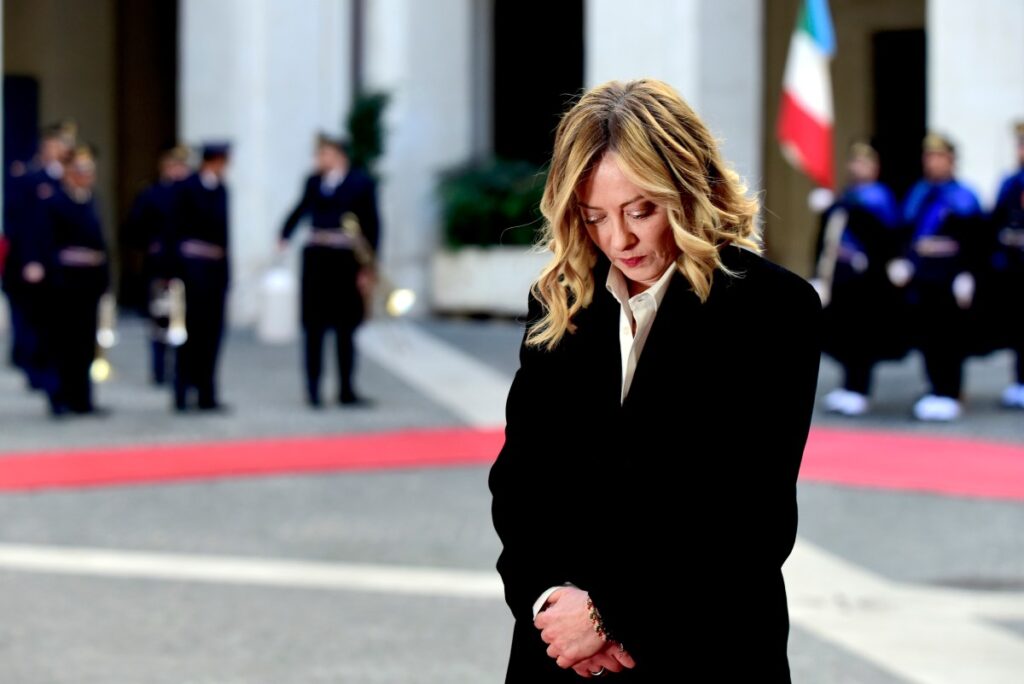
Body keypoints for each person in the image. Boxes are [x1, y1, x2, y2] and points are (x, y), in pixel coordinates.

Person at [488, 79, 822, 681]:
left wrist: (609, 615)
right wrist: (548, 605)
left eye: (641, 210)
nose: (620, 240)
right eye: (594, 218)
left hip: (705, 651)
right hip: (561, 659)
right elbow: (522, 482)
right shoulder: (560, 301)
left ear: (691, 189)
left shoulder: (774, 308)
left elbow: (750, 514)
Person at [278, 134, 380, 407]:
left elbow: (372, 224)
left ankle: (346, 388)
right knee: (314, 326)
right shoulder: (313, 182)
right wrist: (285, 233)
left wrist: (368, 267)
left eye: (324, 154)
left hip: (345, 260)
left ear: (339, 155)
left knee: (346, 326)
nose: (319, 160)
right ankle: (313, 388)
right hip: (317, 259)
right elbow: (301, 208)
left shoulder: (360, 183)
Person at [891, 133, 984, 421]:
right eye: (928, 156)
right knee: (926, 334)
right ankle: (933, 386)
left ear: (951, 160)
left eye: (938, 156)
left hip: (950, 275)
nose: (932, 162)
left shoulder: (964, 196)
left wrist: (968, 273)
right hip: (923, 275)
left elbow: (976, 241)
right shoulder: (918, 193)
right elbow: (907, 233)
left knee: (950, 337)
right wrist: (903, 260)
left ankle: (951, 390)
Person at [813, 142, 904, 416]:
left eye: (864, 163)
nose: (858, 167)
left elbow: (882, 237)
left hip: (866, 280)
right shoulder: (848, 196)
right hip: (841, 275)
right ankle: (847, 385)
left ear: (875, 167)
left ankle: (860, 389)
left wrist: (838, 204)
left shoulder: (879, 197)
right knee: (843, 333)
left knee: (863, 335)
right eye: (854, 162)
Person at [33, 145, 110, 416]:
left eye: (89, 171)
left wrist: (105, 280)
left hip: (88, 282)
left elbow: (100, 244)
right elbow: (45, 243)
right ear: (68, 172)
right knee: (62, 343)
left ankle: (83, 398)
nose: (86, 176)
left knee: (86, 343)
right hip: (64, 283)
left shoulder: (91, 199)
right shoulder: (54, 201)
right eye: (80, 170)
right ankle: (59, 397)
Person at [2, 122, 75, 390]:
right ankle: (37, 372)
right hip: (32, 262)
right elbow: (21, 223)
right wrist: (30, 260)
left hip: (60, 265)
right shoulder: (29, 179)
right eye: (58, 144)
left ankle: (56, 374)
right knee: (34, 321)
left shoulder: (67, 180)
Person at [170, 142, 231, 412]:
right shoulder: (186, 187)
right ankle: (182, 390)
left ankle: (207, 391)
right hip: (191, 271)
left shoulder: (222, 189)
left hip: (214, 272)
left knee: (212, 333)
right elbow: (173, 230)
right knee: (188, 333)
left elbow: (225, 236)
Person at [124, 145, 191, 385]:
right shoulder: (151, 194)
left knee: (185, 318)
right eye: (174, 165)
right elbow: (135, 228)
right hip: (160, 265)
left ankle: (183, 370)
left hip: (185, 266)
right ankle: (160, 368)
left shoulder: (190, 194)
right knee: (160, 318)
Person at [988, 122, 1024, 409]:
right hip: (1015, 267)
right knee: (1017, 326)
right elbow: (995, 222)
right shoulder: (1011, 182)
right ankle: (1019, 380)